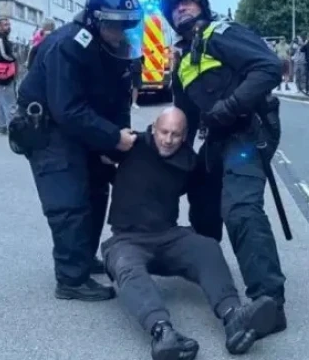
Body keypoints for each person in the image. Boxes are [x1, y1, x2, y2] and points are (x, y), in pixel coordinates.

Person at [160, 0, 288, 339]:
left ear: (201, 3)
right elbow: (184, 114)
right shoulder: (184, 57)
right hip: (217, 138)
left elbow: (268, 67)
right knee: (202, 201)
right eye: (174, 7)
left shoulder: (222, 33)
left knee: (241, 208)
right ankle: (209, 271)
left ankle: (270, 302)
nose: (181, 9)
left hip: (248, 132)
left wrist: (229, 108)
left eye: (186, 2)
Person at [102, 107, 279, 360]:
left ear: (185, 136)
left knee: (207, 248)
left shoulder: (189, 162)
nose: (168, 139)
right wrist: (111, 145)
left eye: (176, 134)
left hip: (168, 236)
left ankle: (233, 317)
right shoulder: (132, 144)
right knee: (127, 267)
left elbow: (204, 201)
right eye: (164, 132)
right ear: (154, 128)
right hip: (126, 240)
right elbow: (96, 146)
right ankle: (163, 333)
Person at [11, 0, 142, 302]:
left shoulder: (115, 47)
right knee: (69, 202)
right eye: (114, 25)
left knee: (97, 192)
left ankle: (83, 258)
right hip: (51, 130)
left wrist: (116, 142)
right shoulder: (67, 45)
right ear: (96, 20)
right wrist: (112, 137)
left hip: (86, 127)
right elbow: (66, 108)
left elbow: (119, 99)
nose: (121, 30)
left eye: (126, 24)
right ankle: (70, 279)